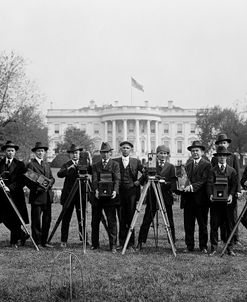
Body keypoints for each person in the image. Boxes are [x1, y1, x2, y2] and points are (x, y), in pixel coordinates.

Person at [137, 145, 177, 250]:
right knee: (147, 219)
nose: (163, 155)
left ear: (167, 155)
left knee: (169, 221)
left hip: (165, 197)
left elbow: (173, 183)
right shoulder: (151, 165)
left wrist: (164, 183)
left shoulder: (171, 167)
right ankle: (141, 241)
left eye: (165, 153)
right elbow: (144, 177)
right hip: (153, 196)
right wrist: (137, 182)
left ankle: (172, 242)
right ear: (157, 154)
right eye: (161, 153)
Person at [57, 144, 91, 247]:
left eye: (76, 153)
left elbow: (92, 171)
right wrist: (69, 169)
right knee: (66, 218)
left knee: (82, 218)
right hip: (68, 195)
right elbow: (59, 174)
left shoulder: (84, 163)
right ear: (70, 155)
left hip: (81, 195)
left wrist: (90, 162)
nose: (74, 155)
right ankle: (64, 240)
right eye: (72, 153)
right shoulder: (67, 164)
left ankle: (84, 239)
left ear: (80, 154)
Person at [181, 140, 211, 253]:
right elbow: (183, 180)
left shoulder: (207, 165)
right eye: (193, 151)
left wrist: (191, 187)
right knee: (188, 224)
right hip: (188, 200)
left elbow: (204, 180)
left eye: (197, 150)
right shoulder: (187, 165)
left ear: (202, 152)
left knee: (202, 224)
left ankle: (203, 246)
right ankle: (189, 246)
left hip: (201, 200)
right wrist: (181, 186)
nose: (195, 153)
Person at [211, 133, 241, 245]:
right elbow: (212, 174)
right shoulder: (215, 159)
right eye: (220, 143)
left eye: (224, 142)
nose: (222, 144)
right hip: (219, 191)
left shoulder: (233, 156)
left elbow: (237, 174)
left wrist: (237, 190)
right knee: (220, 216)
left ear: (228, 144)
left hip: (230, 191)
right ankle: (224, 237)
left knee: (232, 216)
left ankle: (235, 238)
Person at [208, 145, 238, 256]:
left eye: (224, 155)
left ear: (226, 157)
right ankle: (214, 247)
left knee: (229, 225)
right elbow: (209, 184)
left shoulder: (232, 171)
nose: (222, 157)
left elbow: (234, 185)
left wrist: (231, 195)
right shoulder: (212, 170)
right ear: (217, 157)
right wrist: (210, 194)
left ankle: (229, 247)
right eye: (220, 155)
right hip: (216, 203)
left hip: (228, 203)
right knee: (214, 225)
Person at [91, 142, 120, 253]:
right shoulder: (96, 165)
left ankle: (112, 245)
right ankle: (95, 244)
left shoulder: (115, 165)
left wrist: (115, 191)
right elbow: (94, 179)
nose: (105, 155)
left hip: (110, 198)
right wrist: (96, 190)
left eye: (107, 152)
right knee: (95, 221)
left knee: (111, 221)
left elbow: (117, 179)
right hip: (98, 197)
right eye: (103, 152)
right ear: (100, 153)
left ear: (110, 153)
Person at [114, 141, 143, 249]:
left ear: (131, 150)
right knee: (121, 217)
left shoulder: (136, 161)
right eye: (123, 148)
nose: (125, 149)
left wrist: (139, 181)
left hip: (132, 193)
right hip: (120, 192)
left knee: (131, 217)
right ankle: (121, 242)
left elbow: (145, 172)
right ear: (121, 149)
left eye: (127, 148)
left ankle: (130, 242)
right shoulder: (115, 161)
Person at [0, 141, 29, 247]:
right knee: (3, 218)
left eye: (12, 151)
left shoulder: (20, 165)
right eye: (8, 151)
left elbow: (22, 180)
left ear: (15, 152)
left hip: (16, 196)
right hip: (2, 196)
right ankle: (22, 235)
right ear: (5, 152)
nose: (10, 153)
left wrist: (10, 187)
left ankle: (14, 241)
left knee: (15, 218)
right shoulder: (0, 163)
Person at [26, 142, 55, 248]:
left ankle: (44, 241)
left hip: (47, 197)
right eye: (38, 151)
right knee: (36, 221)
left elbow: (52, 177)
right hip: (37, 197)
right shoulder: (30, 165)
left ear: (44, 152)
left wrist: (50, 183)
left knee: (47, 220)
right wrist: (39, 188)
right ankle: (37, 242)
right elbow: (28, 181)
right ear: (34, 152)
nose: (40, 153)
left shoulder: (47, 164)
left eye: (42, 151)